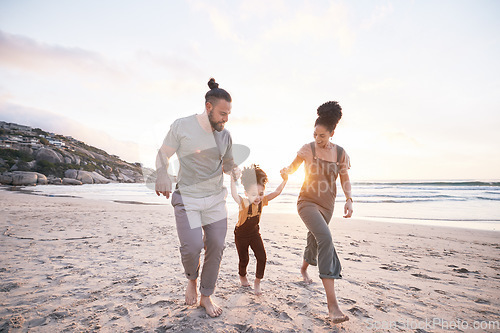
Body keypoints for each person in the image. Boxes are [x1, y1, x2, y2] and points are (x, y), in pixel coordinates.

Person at [155, 78, 240, 318]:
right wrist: (162, 173)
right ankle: (192, 279)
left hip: (215, 200)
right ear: (209, 107)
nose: (226, 118)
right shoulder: (182, 126)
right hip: (187, 197)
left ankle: (206, 295)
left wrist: (234, 170)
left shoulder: (226, 136)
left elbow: (227, 165)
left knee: (216, 245)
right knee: (192, 247)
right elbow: (163, 154)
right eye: (223, 113)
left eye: (229, 114)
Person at [280, 101, 353, 324]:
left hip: (327, 206)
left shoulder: (340, 153)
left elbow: (345, 179)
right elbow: (293, 167)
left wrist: (349, 199)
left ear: (332, 133)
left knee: (314, 240)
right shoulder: (308, 149)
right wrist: (286, 171)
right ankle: (333, 307)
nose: (318, 139)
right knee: (325, 239)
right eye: (315, 134)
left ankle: (304, 269)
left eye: (322, 135)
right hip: (307, 202)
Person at [229, 164, 288, 295]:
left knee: (262, 257)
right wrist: (233, 179)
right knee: (244, 259)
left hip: (254, 233)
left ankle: (257, 281)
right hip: (241, 235)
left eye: (260, 194)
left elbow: (277, 192)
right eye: (253, 194)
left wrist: (285, 179)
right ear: (246, 194)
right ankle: (242, 276)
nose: (257, 198)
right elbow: (233, 194)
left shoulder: (263, 201)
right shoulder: (244, 203)